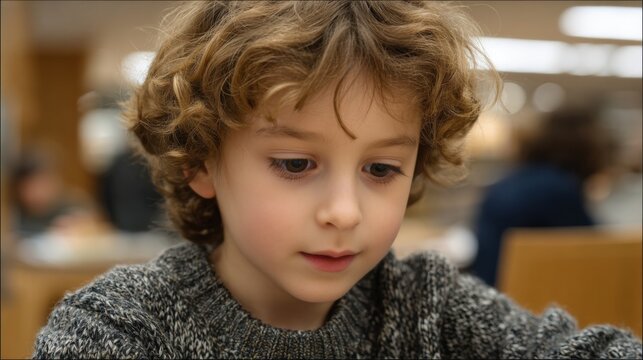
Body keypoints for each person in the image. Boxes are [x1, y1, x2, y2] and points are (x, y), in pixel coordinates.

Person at [33, 2, 641, 358]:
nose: (345, 213)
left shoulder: (428, 306)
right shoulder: (117, 328)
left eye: (381, 169)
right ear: (199, 162)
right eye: (295, 165)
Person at [472, 106, 615, 287]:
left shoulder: (514, 180)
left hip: (490, 291)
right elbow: (597, 249)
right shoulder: (559, 188)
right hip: (521, 299)